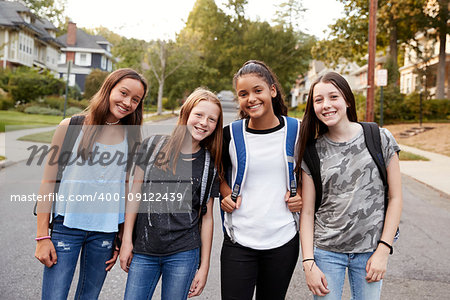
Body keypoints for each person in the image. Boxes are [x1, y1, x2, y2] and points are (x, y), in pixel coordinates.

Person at [34, 68, 148, 300]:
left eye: (136, 99)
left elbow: (126, 191)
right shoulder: (70, 127)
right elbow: (48, 182)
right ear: (108, 89)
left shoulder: (133, 137)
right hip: (66, 227)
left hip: (104, 233)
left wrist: (120, 238)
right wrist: (42, 237)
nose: (128, 102)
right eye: (123, 93)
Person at [298, 72, 402, 299]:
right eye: (318, 100)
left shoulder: (380, 138)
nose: (326, 105)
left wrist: (383, 250)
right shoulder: (311, 150)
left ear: (347, 99)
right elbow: (306, 212)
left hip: (370, 251)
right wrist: (308, 263)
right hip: (326, 252)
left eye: (333, 97)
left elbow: (395, 198)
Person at [120, 87, 223, 300]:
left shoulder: (209, 165)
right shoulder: (152, 146)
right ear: (185, 113)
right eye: (199, 115)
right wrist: (126, 241)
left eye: (212, 119)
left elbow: (207, 218)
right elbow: (134, 195)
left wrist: (204, 267)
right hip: (144, 250)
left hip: (183, 253)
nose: (204, 122)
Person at [220, 60, 302, 300]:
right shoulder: (232, 134)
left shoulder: (297, 130)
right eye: (243, 94)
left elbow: (310, 173)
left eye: (258, 90)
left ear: (272, 91)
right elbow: (217, 172)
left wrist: (302, 195)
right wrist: (226, 193)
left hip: (283, 239)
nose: (251, 99)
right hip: (239, 239)